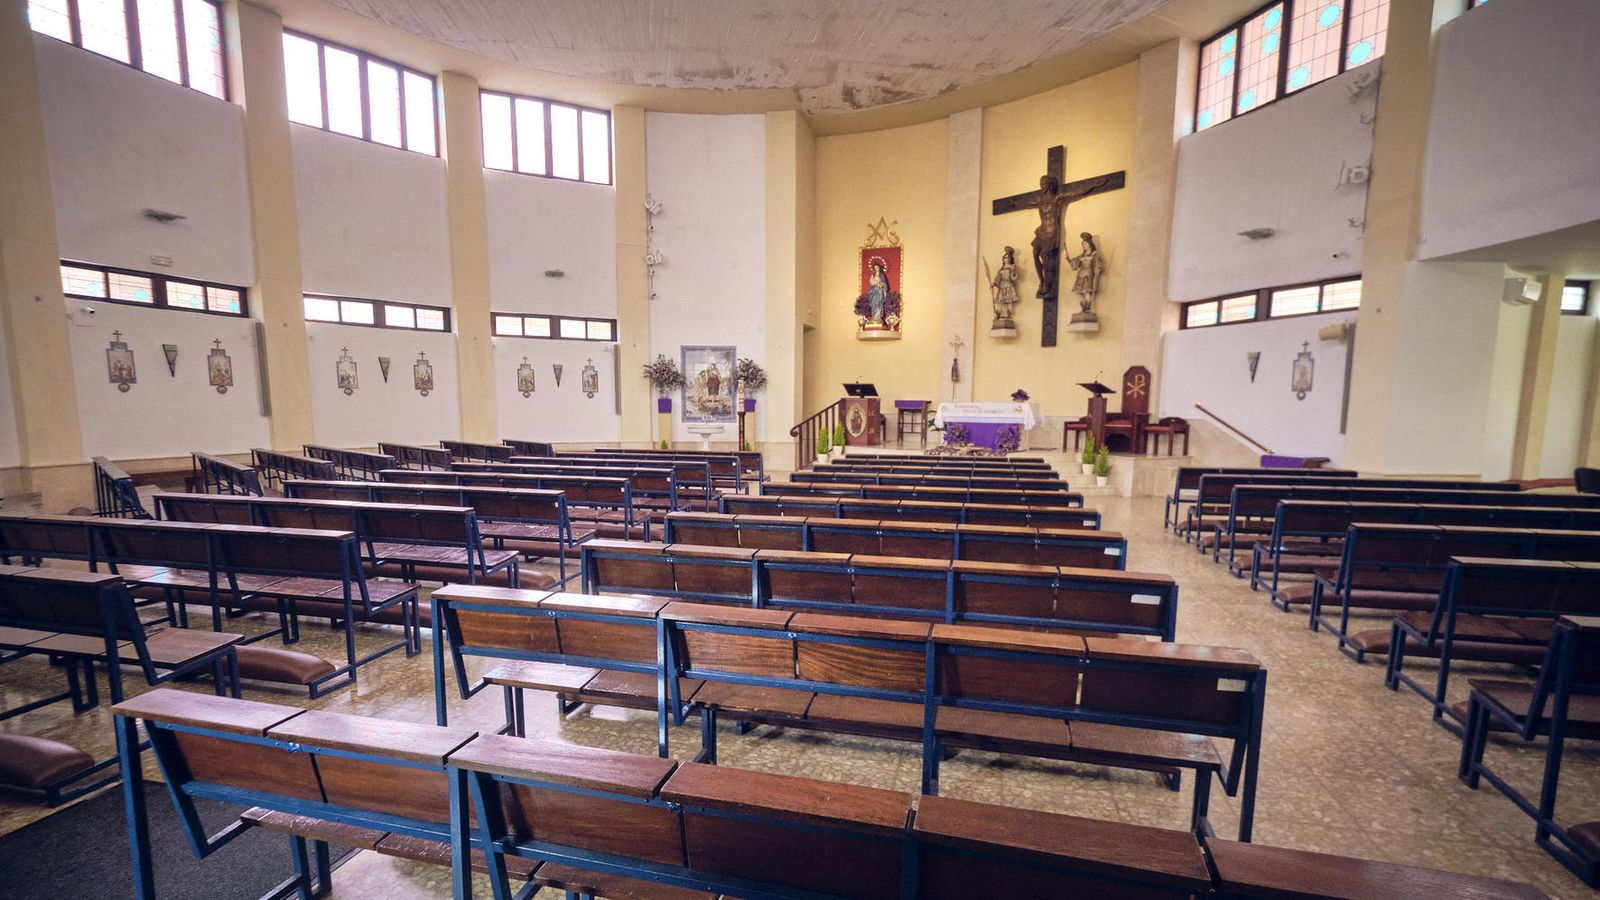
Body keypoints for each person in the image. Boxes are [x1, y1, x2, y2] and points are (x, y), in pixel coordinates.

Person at [1067, 232, 1104, 314]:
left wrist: (1097, 268)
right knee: (1081, 292)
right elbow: (1076, 263)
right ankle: (1083, 306)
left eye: (1086, 244)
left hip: (1088, 275)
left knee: (1087, 291)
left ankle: (1088, 306)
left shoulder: (1094, 254)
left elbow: (1097, 264)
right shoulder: (1082, 255)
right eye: (1083, 244)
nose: (1084, 246)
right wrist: (1071, 261)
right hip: (1081, 275)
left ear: (1090, 244)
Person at [991, 246, 1020, 323]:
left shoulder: (1012, 267)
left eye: (1007, 257)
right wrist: (993, 284)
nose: (1006, 259)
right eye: (1005, 258)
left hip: (1008, 285)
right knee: (999, 300)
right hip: (1002, 286)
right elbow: (998, 278)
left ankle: (1009, 314)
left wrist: (1015, 273)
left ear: (1010, 258)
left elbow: (1014, 278)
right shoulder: (1001, 268)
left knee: (1009, 300)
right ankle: (999, 314)